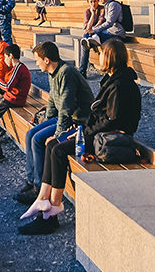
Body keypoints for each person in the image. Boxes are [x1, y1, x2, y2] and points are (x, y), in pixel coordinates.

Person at [19, 39, 141, 235]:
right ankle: (43, 201)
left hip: (111, 140)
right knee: (53, 146)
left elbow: (112, 120)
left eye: (101, 53)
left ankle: (52, 212)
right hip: (99, 134)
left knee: (58, 149)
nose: (98, 57)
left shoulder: (121, 85)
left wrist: (83, 132)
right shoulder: (113, 80)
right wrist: (80, 130)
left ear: (110, 57)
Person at [13, 42, 92, 203]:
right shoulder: (53, 72)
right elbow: (52, 102)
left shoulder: (66, 73)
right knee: (30, 133)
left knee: (38, 139)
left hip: (77, 120)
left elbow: (66, 109)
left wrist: (57, 135)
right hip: (64, 117)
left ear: (47, 60)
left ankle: (38, 187)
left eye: (37, 60)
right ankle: (31, 180)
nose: (36, 63)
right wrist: (46, 121)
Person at [78, 0, 125, 77]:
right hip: (108, 32)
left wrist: (94, 30)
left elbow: (109, 23)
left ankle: (91, 40)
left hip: (116, 34)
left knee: (87, 39)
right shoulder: (107, 6)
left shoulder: (113, 5)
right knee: (85, 41)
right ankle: (82, 71)